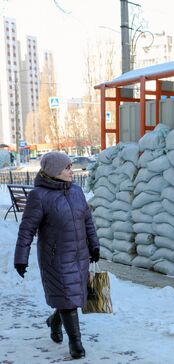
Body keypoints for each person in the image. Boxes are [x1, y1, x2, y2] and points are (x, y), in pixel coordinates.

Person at [13, 151, 100, 359]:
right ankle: (76, 344)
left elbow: (87, 221)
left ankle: (54, 321)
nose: (72, 171)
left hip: (79, 256)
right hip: (56, 259)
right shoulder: (39, 196)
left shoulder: (77, 192)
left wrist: (94, 246)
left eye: (71, 166)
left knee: (70, 297)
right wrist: (20, 258)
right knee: (68, 298)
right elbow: (27, 229)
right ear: (54, 172)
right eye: (67, 168)